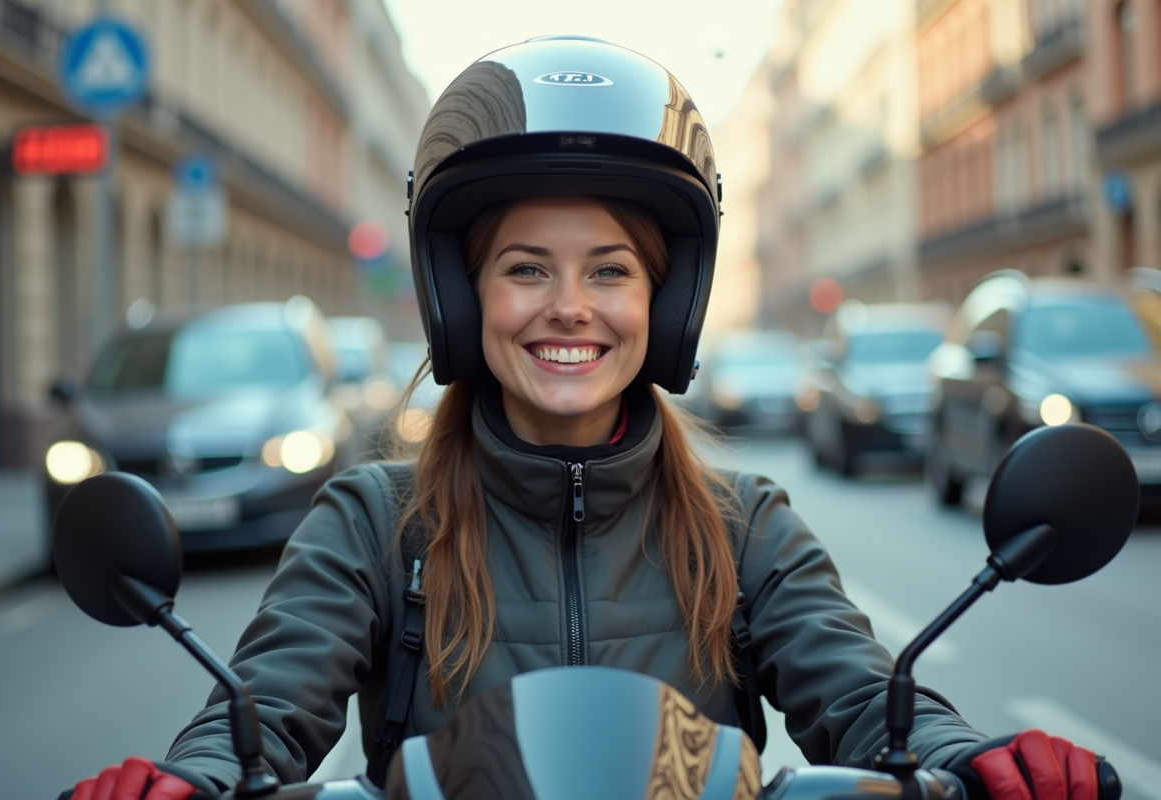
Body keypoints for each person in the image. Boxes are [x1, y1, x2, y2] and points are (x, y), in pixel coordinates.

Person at [63, 37, 1107, 800]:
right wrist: (187, 781)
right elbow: (261, 704)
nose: (569, 305)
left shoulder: (744, 523)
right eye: (525, 270)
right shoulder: (376, 519)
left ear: (667, 303)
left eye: (610, 269)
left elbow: (865, 694)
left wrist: (971, 756)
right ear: (464, 300)